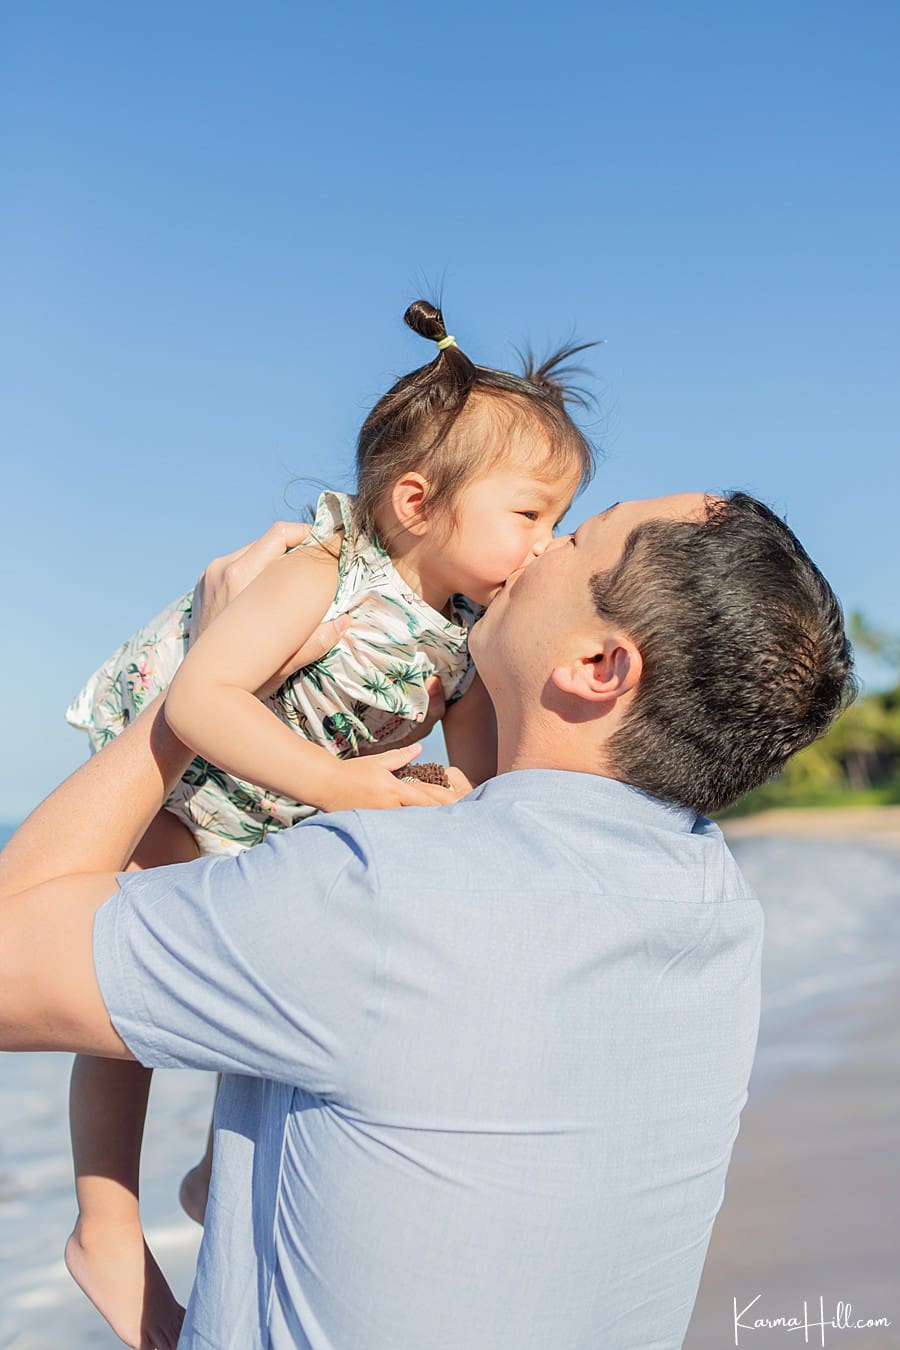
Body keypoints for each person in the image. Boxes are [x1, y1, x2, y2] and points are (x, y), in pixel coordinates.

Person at [0, 488, 854, 1350]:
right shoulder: (719, 912)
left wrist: (204, 676)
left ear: (600, 665)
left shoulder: (382, 896)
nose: (539, 549)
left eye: (577, 541)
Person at [59, 299, 596, 1345]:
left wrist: (457, 795)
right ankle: (103, 1220)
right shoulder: (325, 574)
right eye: (529, 515)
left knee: (279, 970)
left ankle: (223, 1172)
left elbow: (479, 778)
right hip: (186, 786)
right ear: (415, 501)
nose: (547, 545)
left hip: (281, 818)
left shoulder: (466, 633)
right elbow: (203, 701)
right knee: (120, 999)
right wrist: (350, 788)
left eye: (562, 519)